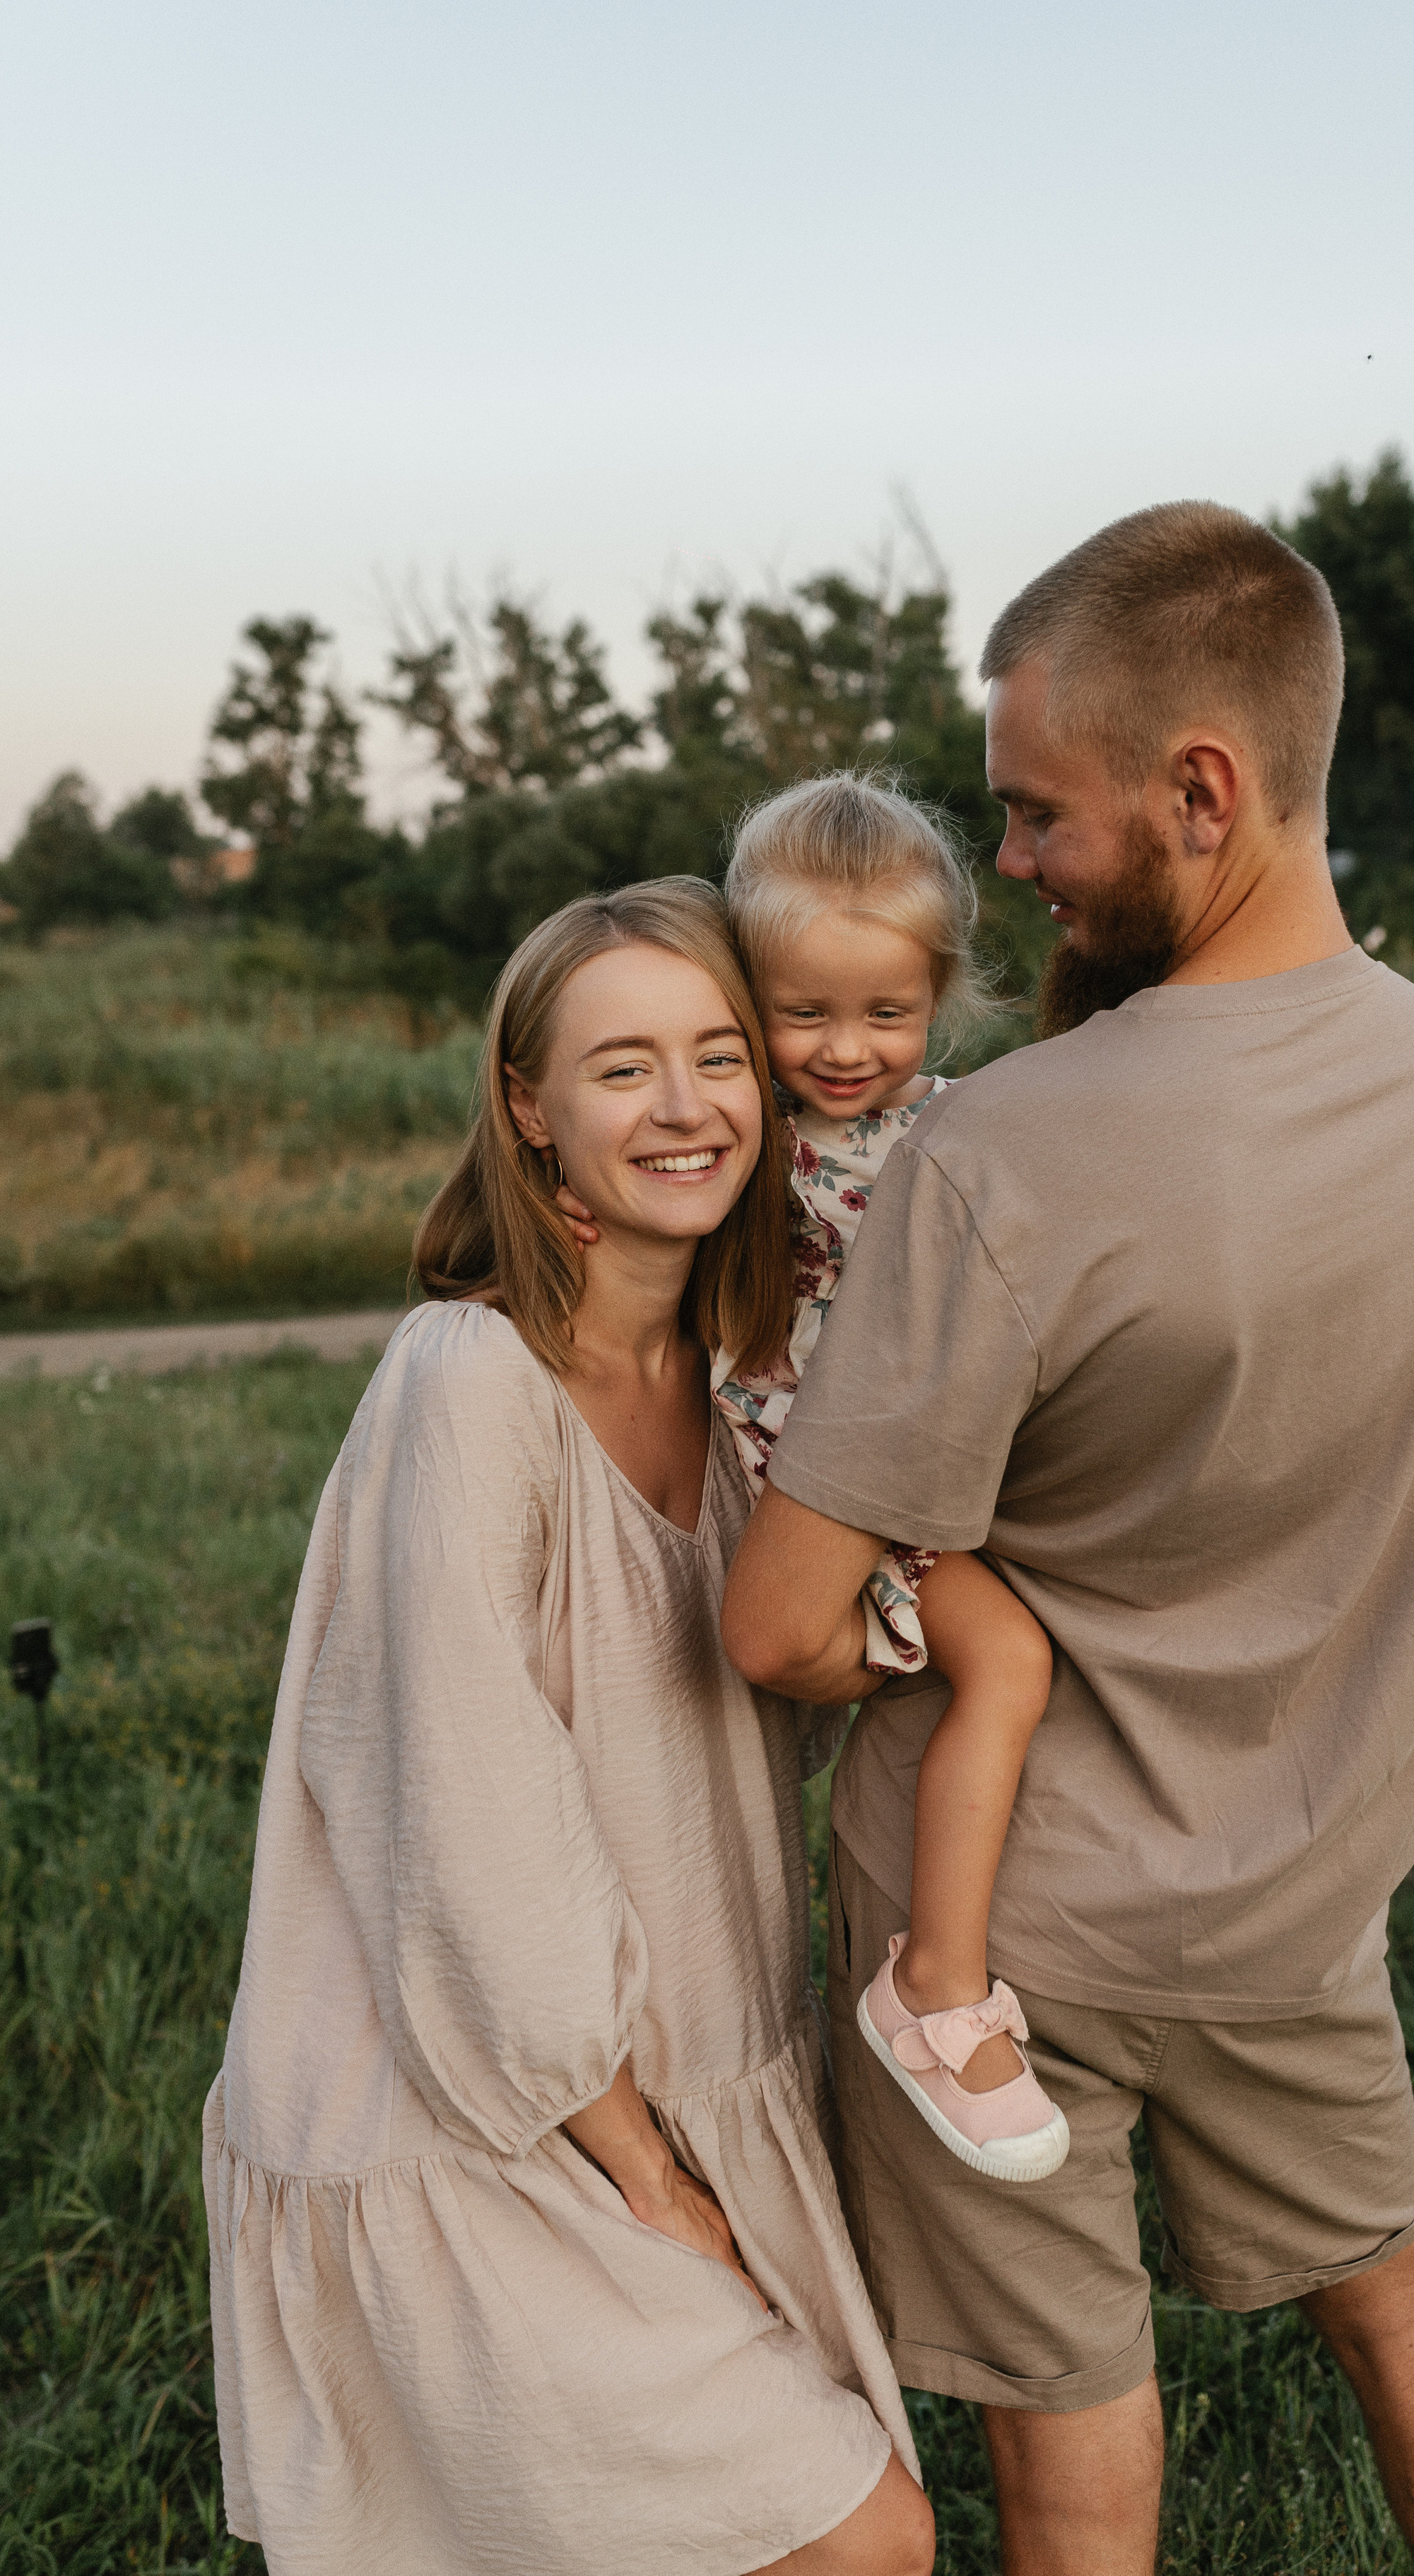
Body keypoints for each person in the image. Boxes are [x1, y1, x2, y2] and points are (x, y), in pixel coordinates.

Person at [722, 505, 1414, 2576]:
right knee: (1399, 2304)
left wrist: (963, 1637)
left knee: (1072, 2435)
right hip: (1306, 1892)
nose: (1006, 864)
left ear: (1199, 790)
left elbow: (776, 1625)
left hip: (996, 1942)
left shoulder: (1008, 1147)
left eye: (1037, 814)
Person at [201, 882, 933, 2576]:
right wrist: (648, 2176)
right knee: (863, 2543)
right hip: (489, 2103)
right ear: (529, 1106)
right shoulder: (467, 1383)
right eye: (623, 1068)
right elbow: (465, 1815)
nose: (684, 1108)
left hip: (682, 2056)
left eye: (719, 1055)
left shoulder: (754, 1386)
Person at [564, 776, 1069, 2182]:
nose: (845, 1051)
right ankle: (937, 1992)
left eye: (885, 1014)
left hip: (928, 1471)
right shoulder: (734, 1142)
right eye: (802, 1014)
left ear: (943, 995)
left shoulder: (974, 1125)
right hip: (837, 1495)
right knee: (1007, 1666)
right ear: (742, 998)